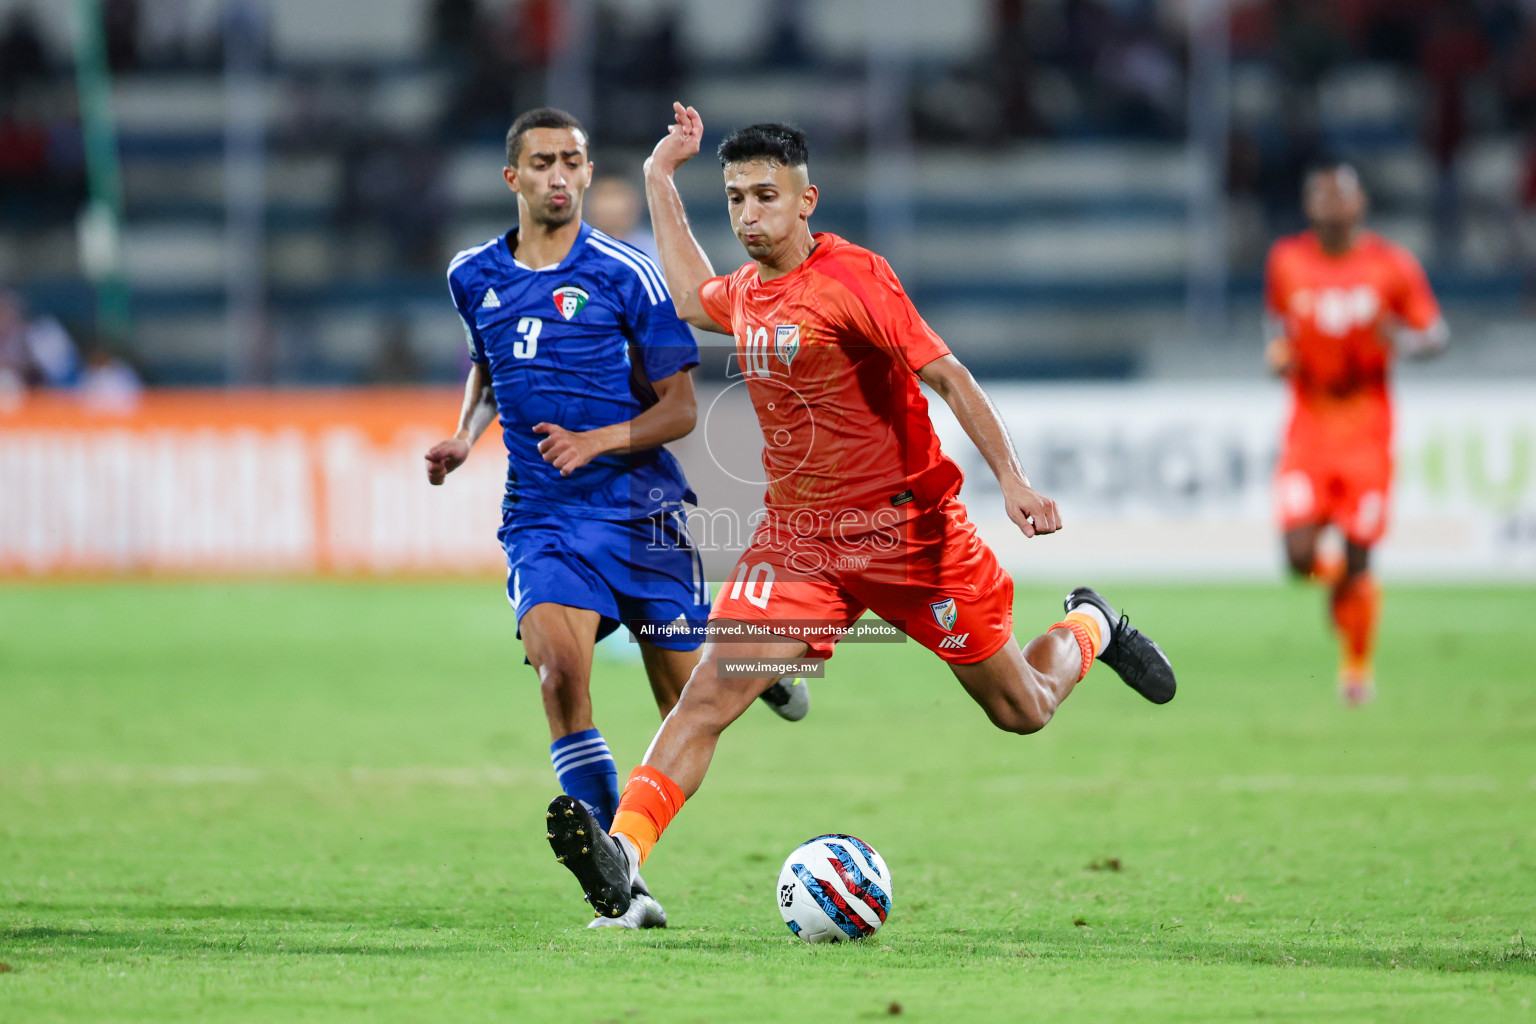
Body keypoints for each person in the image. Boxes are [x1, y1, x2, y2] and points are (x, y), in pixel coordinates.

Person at [545, 105, 1177, 922]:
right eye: (735, 198)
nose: (748, 215)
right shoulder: (748, 293)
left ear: (807, 201)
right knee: (710, 692)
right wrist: (662, 178)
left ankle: (1091, 625)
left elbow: (948, 376)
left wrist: (1013, 480)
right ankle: (622, 863)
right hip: (800, 542)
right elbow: (691, 297)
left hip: (914, 536)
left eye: (765, 197)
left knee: (1022, 710)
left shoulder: (854, 279)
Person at [422, 108, 805, 930]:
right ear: (512, 179)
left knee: (687, 704)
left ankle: (759, 668)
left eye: (573, 162)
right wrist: (464, 435)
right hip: (546, 518)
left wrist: (595, 441)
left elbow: (677, 411)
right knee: (559, 676)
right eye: (543, 163)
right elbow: (492, 366)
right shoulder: (471, 275)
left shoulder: (630, 276)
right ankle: (619, 884)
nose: (560, 176)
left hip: (643, 514)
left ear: (589, 175)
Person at [1264, 161, 1448, 706]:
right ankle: (1348, 586)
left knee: (1361, 549)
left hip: (1367, 426)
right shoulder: (1287, 261)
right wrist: (1277, 353)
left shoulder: (1391, 266)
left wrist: (1401, 340)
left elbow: (1435, 333)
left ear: (1360, 205)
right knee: (1298, 556)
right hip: (1310, 426)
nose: (1332, 207)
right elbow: (1277, 323)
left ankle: (1356, 668)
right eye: (1322, 197)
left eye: (1342, 197)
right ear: (1309, 206)